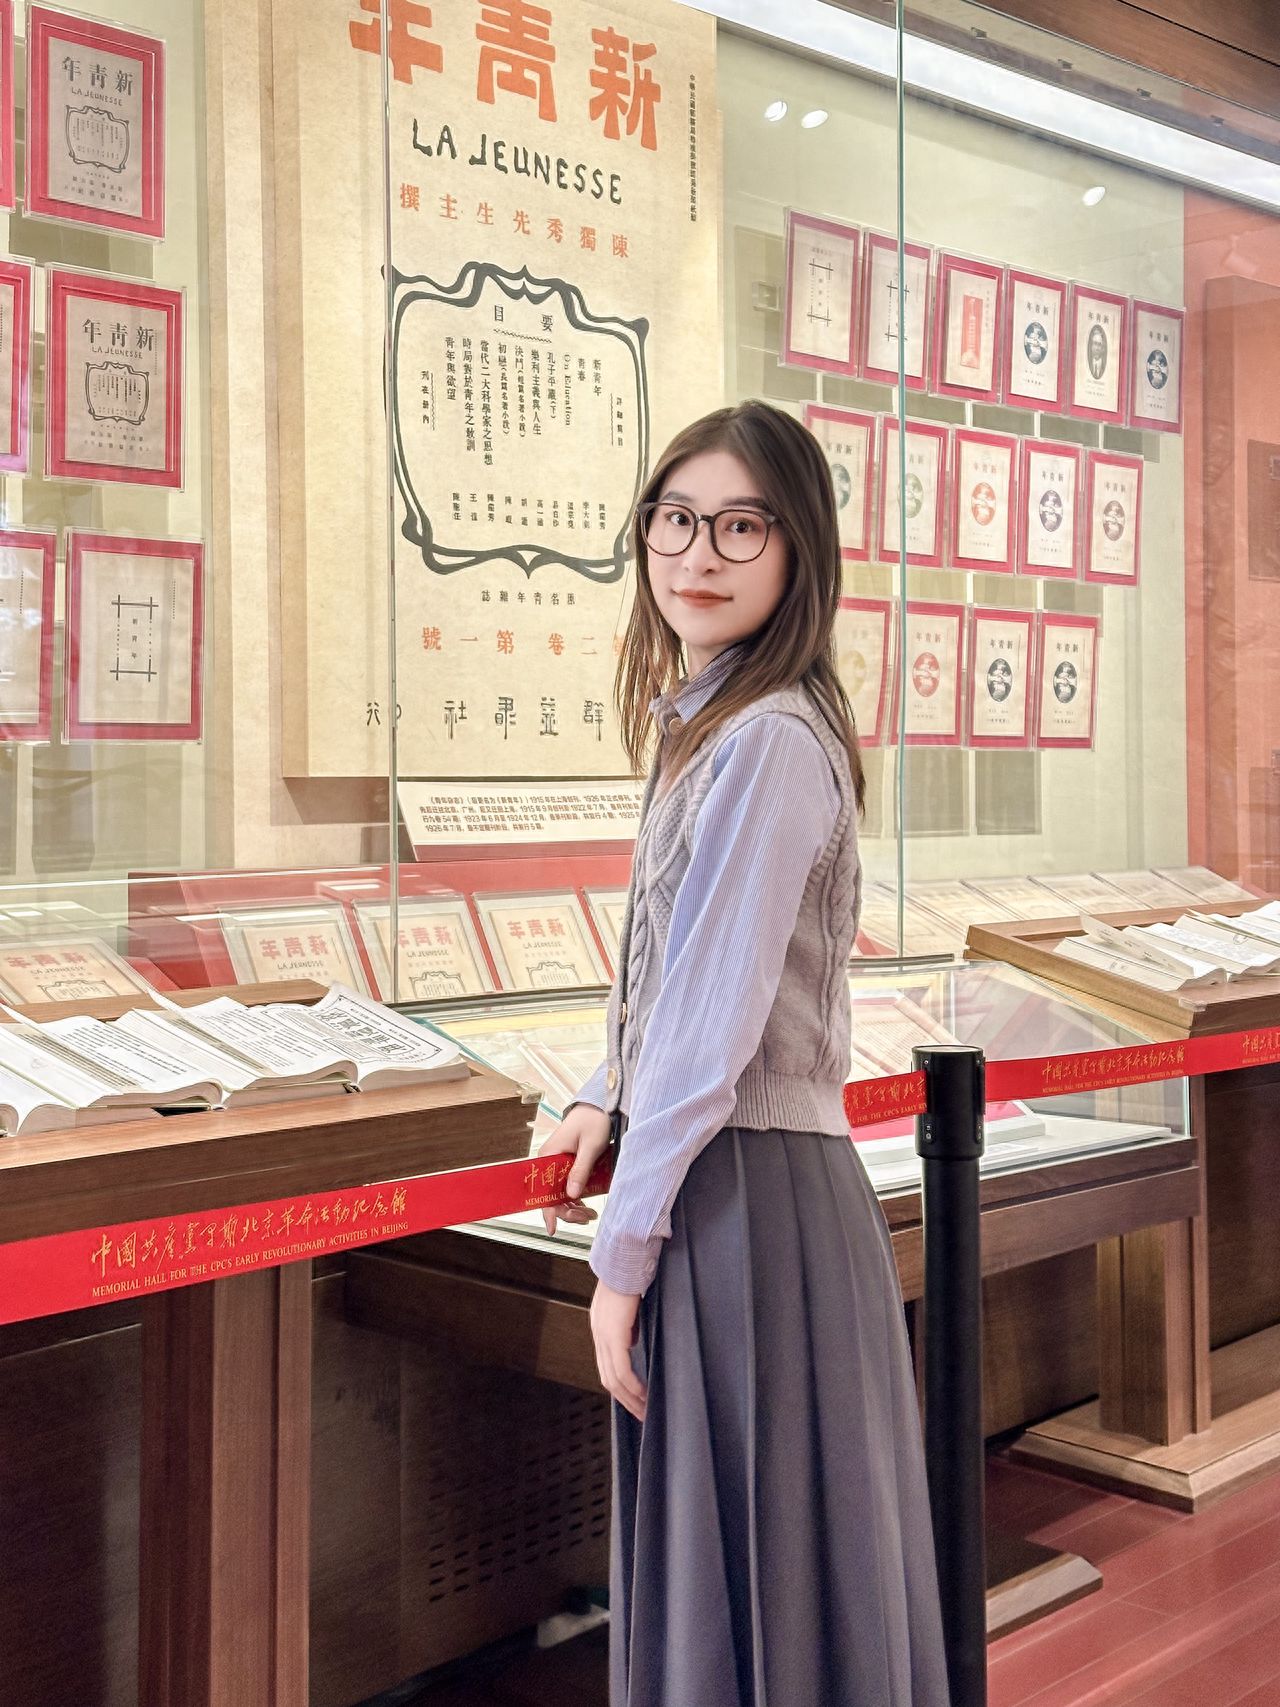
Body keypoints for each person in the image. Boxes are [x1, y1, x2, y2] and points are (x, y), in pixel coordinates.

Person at [538, 400, 950, 1707]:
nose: (696, 554)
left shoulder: (767, 738)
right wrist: (605, 1088)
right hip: (740, 1192)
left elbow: (712, 1032)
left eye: (740, 526)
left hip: (749, 1201)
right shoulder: (714, 720)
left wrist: (619, 1262)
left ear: (796, 549)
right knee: (769, 1583)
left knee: (761, 1584)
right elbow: (673, 980)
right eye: (674, 520)